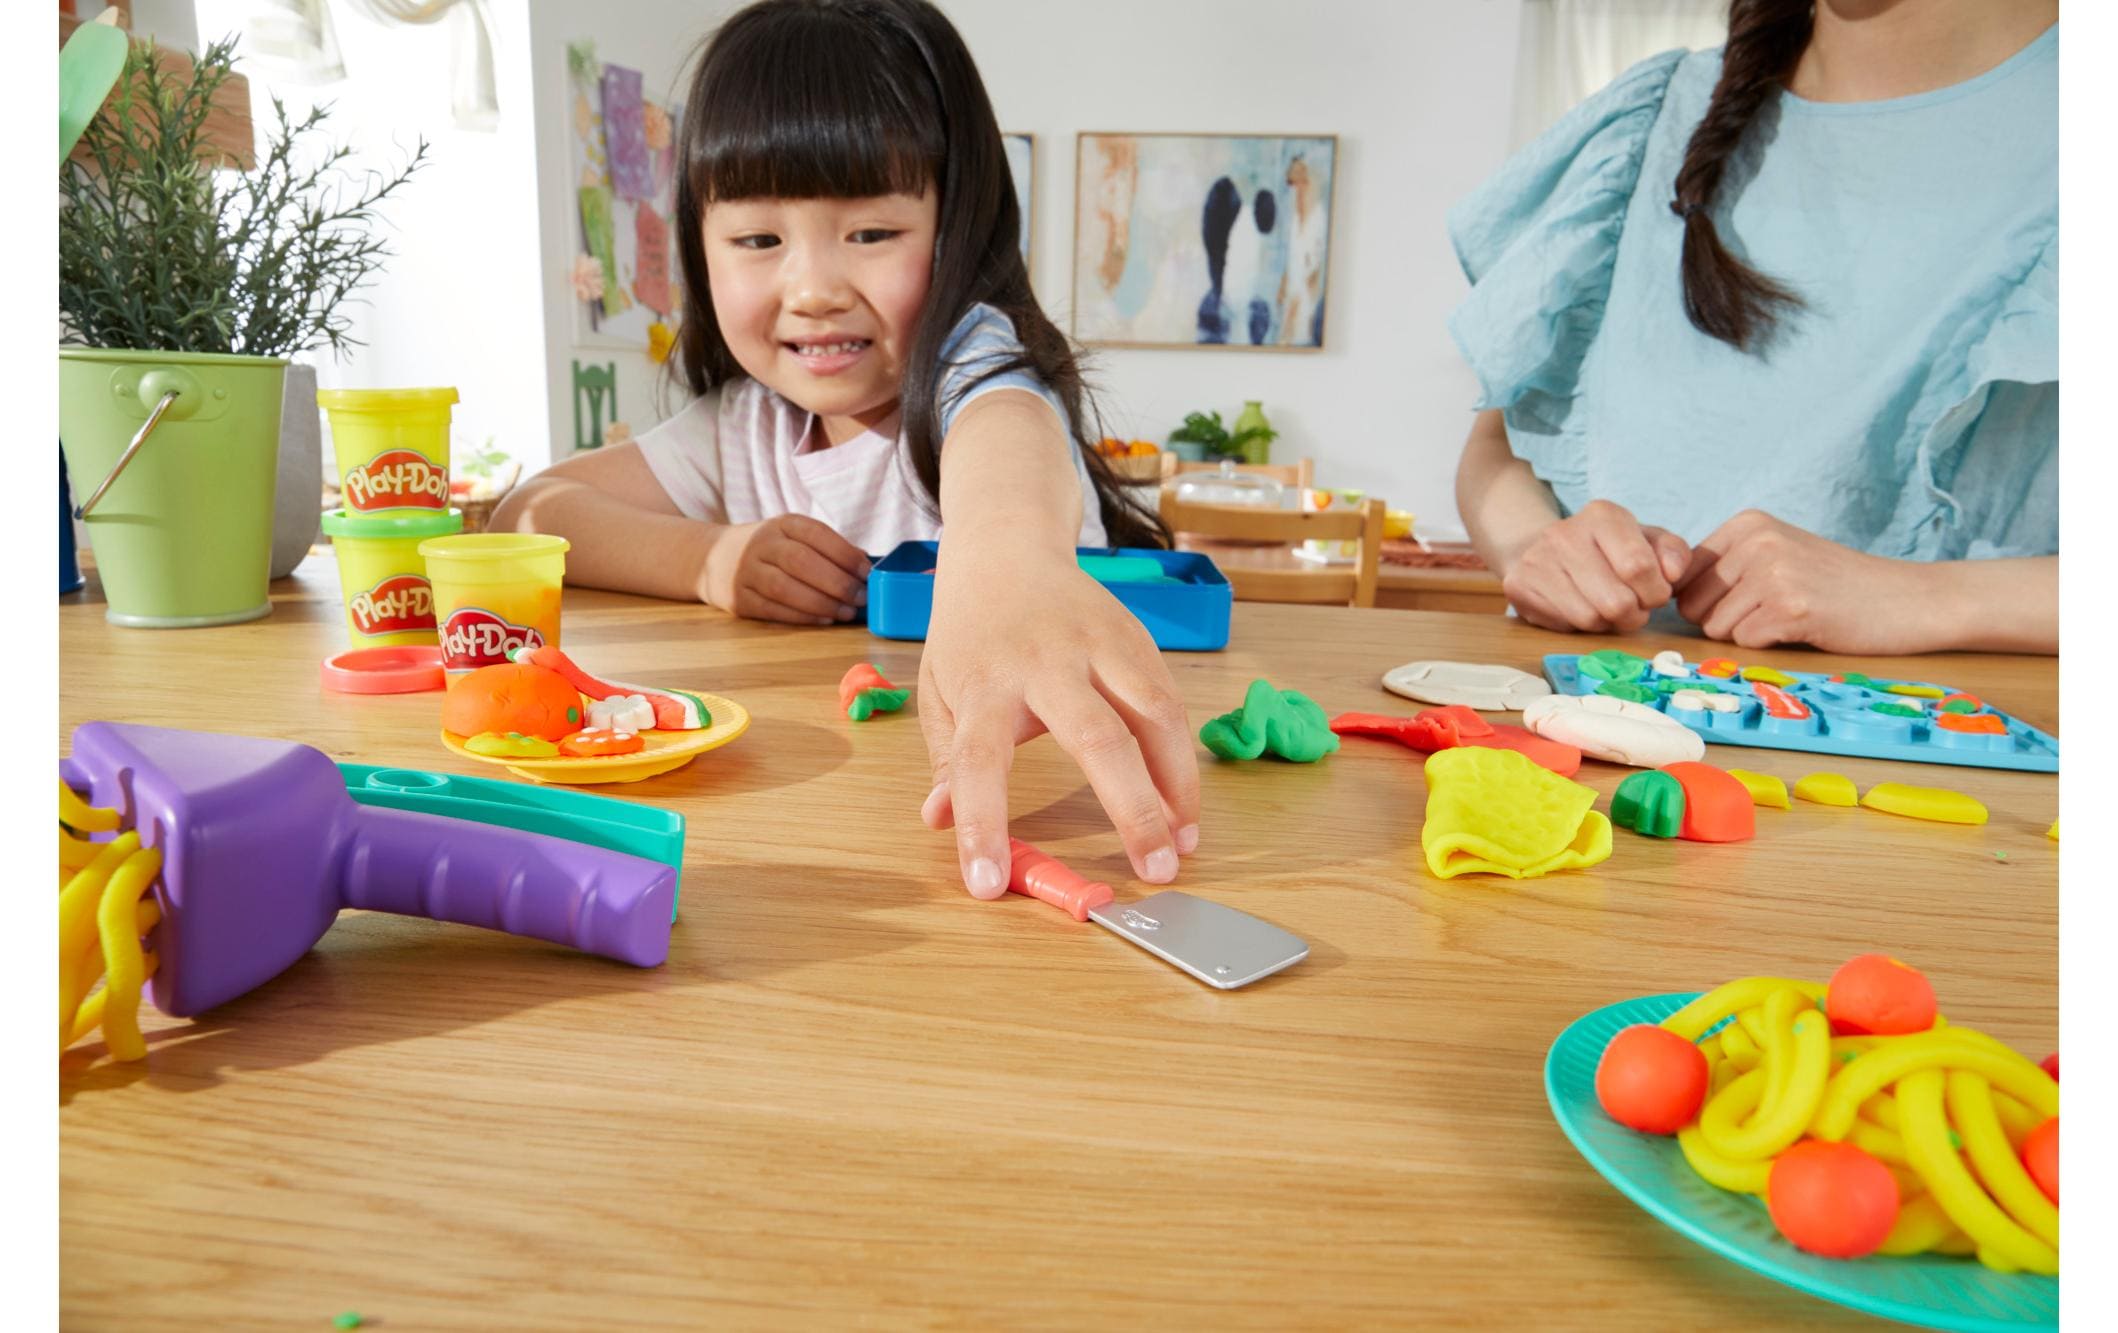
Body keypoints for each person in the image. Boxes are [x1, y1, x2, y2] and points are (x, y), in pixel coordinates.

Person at [491, 0, 1200, 897]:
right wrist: (711, 558)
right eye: (758, 239)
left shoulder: (971, 368)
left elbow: (1009, 431)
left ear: (956, 229)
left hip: (1046, 804)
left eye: (871, 234)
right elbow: (530, 513)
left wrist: (1009, 559)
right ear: (700, 250)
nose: (815, 287)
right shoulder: (743, 424)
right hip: (825, 844)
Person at [1449, 0, 2057, 655]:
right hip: (1582, 728)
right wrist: (1538, 549)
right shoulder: (1656, 117)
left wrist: (1927, 597)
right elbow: (1502, 449)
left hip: (1940, 747)